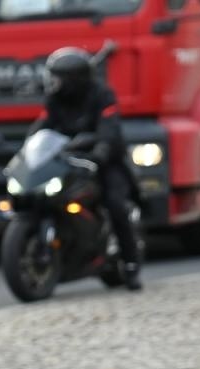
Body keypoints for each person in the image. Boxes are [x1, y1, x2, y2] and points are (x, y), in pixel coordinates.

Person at [31, 46, 142, 290]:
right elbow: (43, 126)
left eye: (58, 78)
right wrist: (28, 148)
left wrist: (101, 151)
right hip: (68, 160)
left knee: (115, 205)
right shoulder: (54, 99)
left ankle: (131, 264)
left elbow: (109, 128)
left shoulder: (102, 95)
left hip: (104, 161)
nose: (53, 82)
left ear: (73, 79)